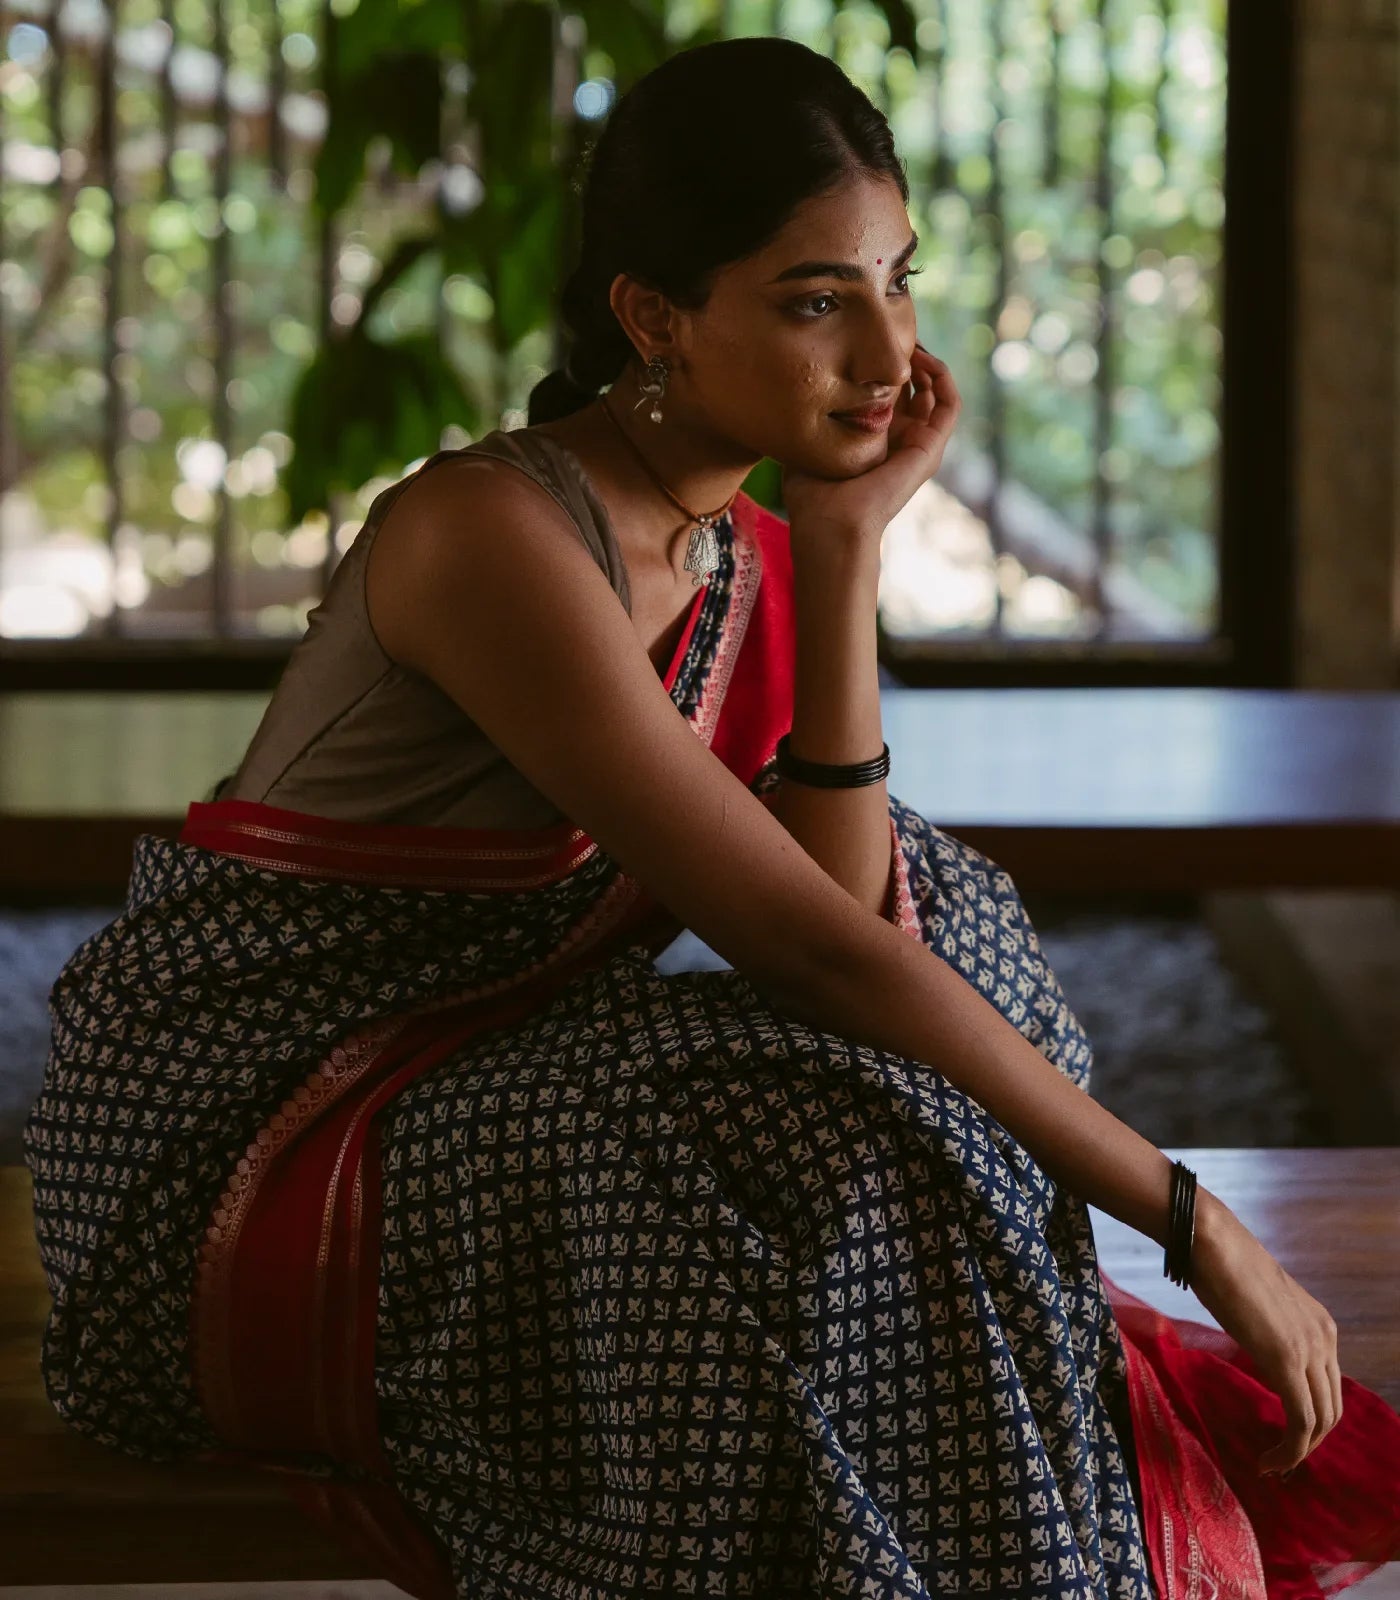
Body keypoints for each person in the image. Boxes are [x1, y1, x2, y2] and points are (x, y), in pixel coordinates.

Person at [23, 34, 1399, 1600]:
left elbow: (852, 899)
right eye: (818, 299)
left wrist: (842, 553)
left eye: (900, 277)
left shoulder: (737, 549)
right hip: (248, 1152)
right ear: (653, 319)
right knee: (744, 1096)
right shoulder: (495, 533)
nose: (887, 354)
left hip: (473, 1085)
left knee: (939, 914)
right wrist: (1180, 1211)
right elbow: (809, 956)